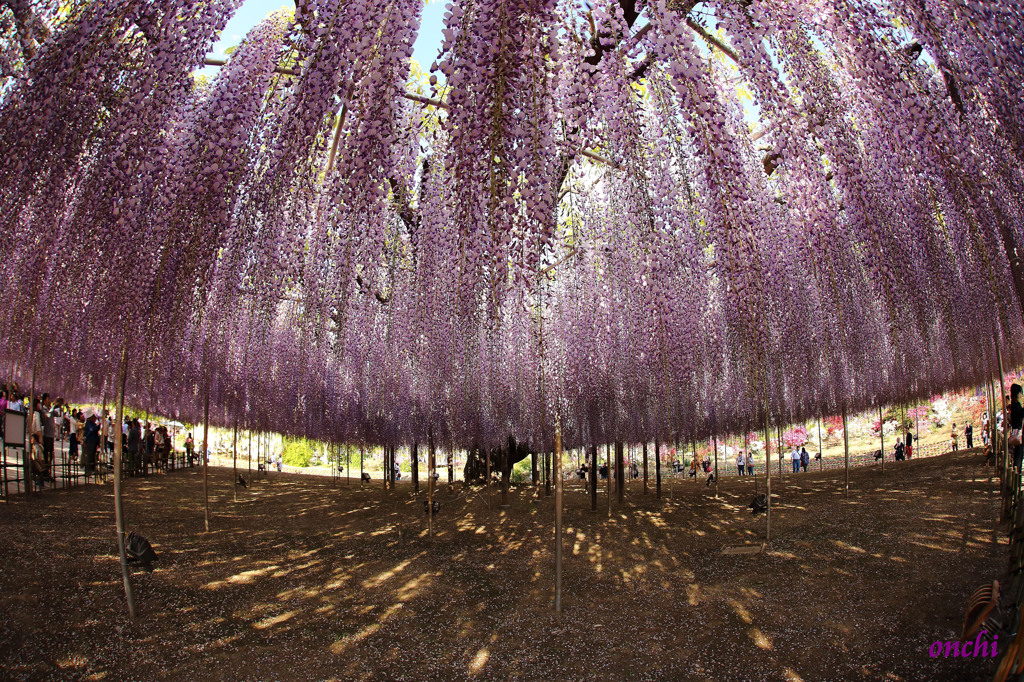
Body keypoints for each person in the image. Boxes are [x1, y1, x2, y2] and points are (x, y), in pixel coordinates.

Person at [1008, 384, 1024, 471]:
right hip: (1017, 432)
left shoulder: (1017, 404)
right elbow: (1021, 413)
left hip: (1018, 432)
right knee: (1018, 455)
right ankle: (1016, 473)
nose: (1021, 395)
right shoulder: (1014, 406)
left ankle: (1017, 472)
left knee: (1020, 455)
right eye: (1020, 393)